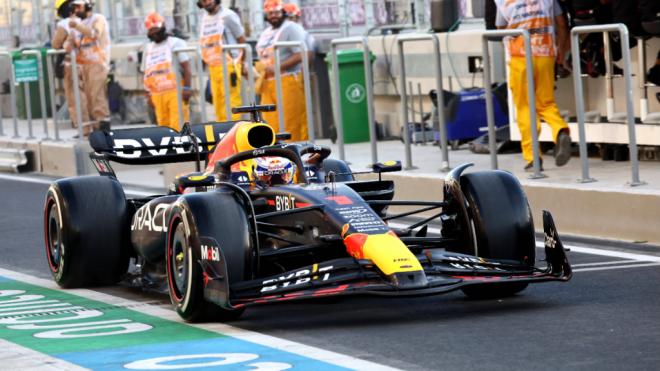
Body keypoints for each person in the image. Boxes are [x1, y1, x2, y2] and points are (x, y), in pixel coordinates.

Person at [494, 0, 572, 170]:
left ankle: (533, 157)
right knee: (546, 102)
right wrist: (561, 51)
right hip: (545, 53)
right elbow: (561, 24)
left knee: (524, 106)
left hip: (519, 57)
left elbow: (501, 30)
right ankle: (560, 130)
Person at [256, 0, 310, 141]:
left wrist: (278, 67)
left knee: (290, 123)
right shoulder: (266, 32)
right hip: (267, 84)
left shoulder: (291, 28)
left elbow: (301, 53)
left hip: (287, 80)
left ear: (283, 12)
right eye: (270, 13)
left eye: (276, 12)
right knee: (270, 125)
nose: (273, 16)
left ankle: (293, 158)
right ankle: (276, 158)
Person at [142, 12, 192, 131]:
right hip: (157, 94)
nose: (154, 34)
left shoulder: (175, 43)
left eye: (156, 30)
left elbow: (186, 67)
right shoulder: (148, 48)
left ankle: (183, 149)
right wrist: (147, 94)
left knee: (178, 126)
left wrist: (187, 88)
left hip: (175, 92)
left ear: (163, 26)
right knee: (163, 128)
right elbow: (145, 72)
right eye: (151, 31)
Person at [198, 0, 246, 121]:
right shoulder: (205, 18)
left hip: (229, 65)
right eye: (203, 1)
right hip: (213, 67)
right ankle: (222, 134)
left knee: (231, 103)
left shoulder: (228, 16)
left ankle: (234, 134)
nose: (207, 2)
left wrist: (241, 63)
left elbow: (241, 39)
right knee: (218, 104)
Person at [68, 0, 110, 135]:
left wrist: (78, 26)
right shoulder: (77, 25)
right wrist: (67, 45)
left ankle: (102, 125)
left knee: (96, 95)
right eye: (74, 7)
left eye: (78, 6)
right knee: (85, 98)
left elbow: (94, 33)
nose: (76, 10)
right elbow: (70, 41)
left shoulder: (98, 19)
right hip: (82, 65)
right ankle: (90, 128)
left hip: (98, 62)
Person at [52, 0, 89, 130]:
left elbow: (56, 44)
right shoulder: (88, 21)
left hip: (72, 65)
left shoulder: (64, 24)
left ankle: (83, 129)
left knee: (75, 97)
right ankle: (97, 127)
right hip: (91, 63)